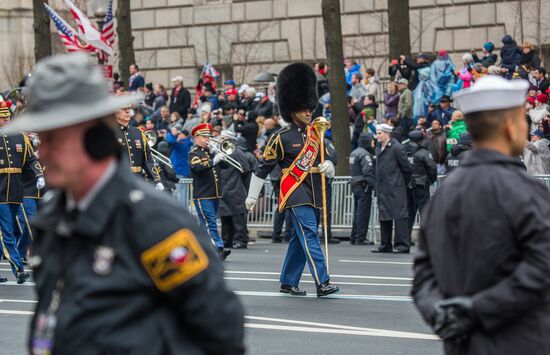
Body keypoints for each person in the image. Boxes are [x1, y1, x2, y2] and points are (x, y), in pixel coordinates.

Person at [4, 53, 244, 354]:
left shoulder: (153, 221)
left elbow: (220, 331)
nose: (42, 154)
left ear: (91, 137)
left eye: (54, 139)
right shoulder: (53, 219)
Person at [412, 75, 550, 355]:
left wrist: (441, 314)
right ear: (511, 127)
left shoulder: (444, 195)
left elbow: (423, 275)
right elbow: (541, 270)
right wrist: (479, 309)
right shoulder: (527, 192)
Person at [245, 63, 339, 297]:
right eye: (304, 109)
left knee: (299, 238)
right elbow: (263, 167)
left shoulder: (315, 135)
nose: (309, 112)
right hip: (294, 191)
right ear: (293, 110)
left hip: (315, 190)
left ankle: (288, 281)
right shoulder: (280, 137)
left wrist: (329, 166)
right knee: (309, 234)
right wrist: (252, 195)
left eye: (310, 108)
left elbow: (327, 159)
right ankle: (322, 281)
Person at [0, 101, 43, 284]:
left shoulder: (19, 137)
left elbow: (31, 160)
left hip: (16, 190)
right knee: (6, 231)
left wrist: (38, 174)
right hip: (0, 190)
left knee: (11, 230)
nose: (5, 120)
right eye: (2, 118)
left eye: (7, 117)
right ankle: (18, 269)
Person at [188, 123, 231, 260]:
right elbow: (197, 168)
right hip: (203, 194)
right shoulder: (194, 153)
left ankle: (201, 248)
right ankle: (218, 247)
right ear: (197, 138)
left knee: (205, 224)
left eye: (209, 136)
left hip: (215, 194)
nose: (208, 139)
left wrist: (219, 154)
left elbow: (226, 165)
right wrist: (213, 161)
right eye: (205, 136)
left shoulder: (210, 152)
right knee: (210, 222)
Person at [372, 123, 412, 254]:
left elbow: (406, 168)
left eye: (379, 133)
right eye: (377, 133)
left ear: (387, 134)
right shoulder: (379, 148)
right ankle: (385, 244)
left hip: (395, 187)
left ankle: (402, 245)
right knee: (384, 216)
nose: (377, 136)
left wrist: (399, 182)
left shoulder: (397, 148)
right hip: (383, 187)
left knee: (400, 216)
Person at [114, 101, 164, 190]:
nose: (127, 111)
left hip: (138, 181)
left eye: (128, 109)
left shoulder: (138, 133)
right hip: (119, 181)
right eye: (123, 109)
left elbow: (148, 160)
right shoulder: (110, 133)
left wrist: (157, 180)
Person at [218, 131, 253, 249]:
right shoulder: (218, 151)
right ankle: (226, 240)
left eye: (223, 137)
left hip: (235, 188)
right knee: (225, 218)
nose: (220, 139)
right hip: (223, 189)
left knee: (238, 218)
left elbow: (246, 170)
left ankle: (241, 240)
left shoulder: (237, 152)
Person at [405, 130, 437, 239]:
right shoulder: (424, 153)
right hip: (421, 185)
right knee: (424, 211)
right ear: (421, 140)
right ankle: (426, 239)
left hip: (407, 185)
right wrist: (430, 181)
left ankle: (406, 238)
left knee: (409, 212)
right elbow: (432, 168)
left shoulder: (402, 151)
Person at [349, 132, 376, 245]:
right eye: (372, 140)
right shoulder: (365, 154)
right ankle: (360, 238)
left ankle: (354, 236)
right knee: (363, 213)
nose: (373, 143)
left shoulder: (354, 152)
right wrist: (374, 185)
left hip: (355, 184)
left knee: (357, 212)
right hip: (363, 185)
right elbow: (368, 171)